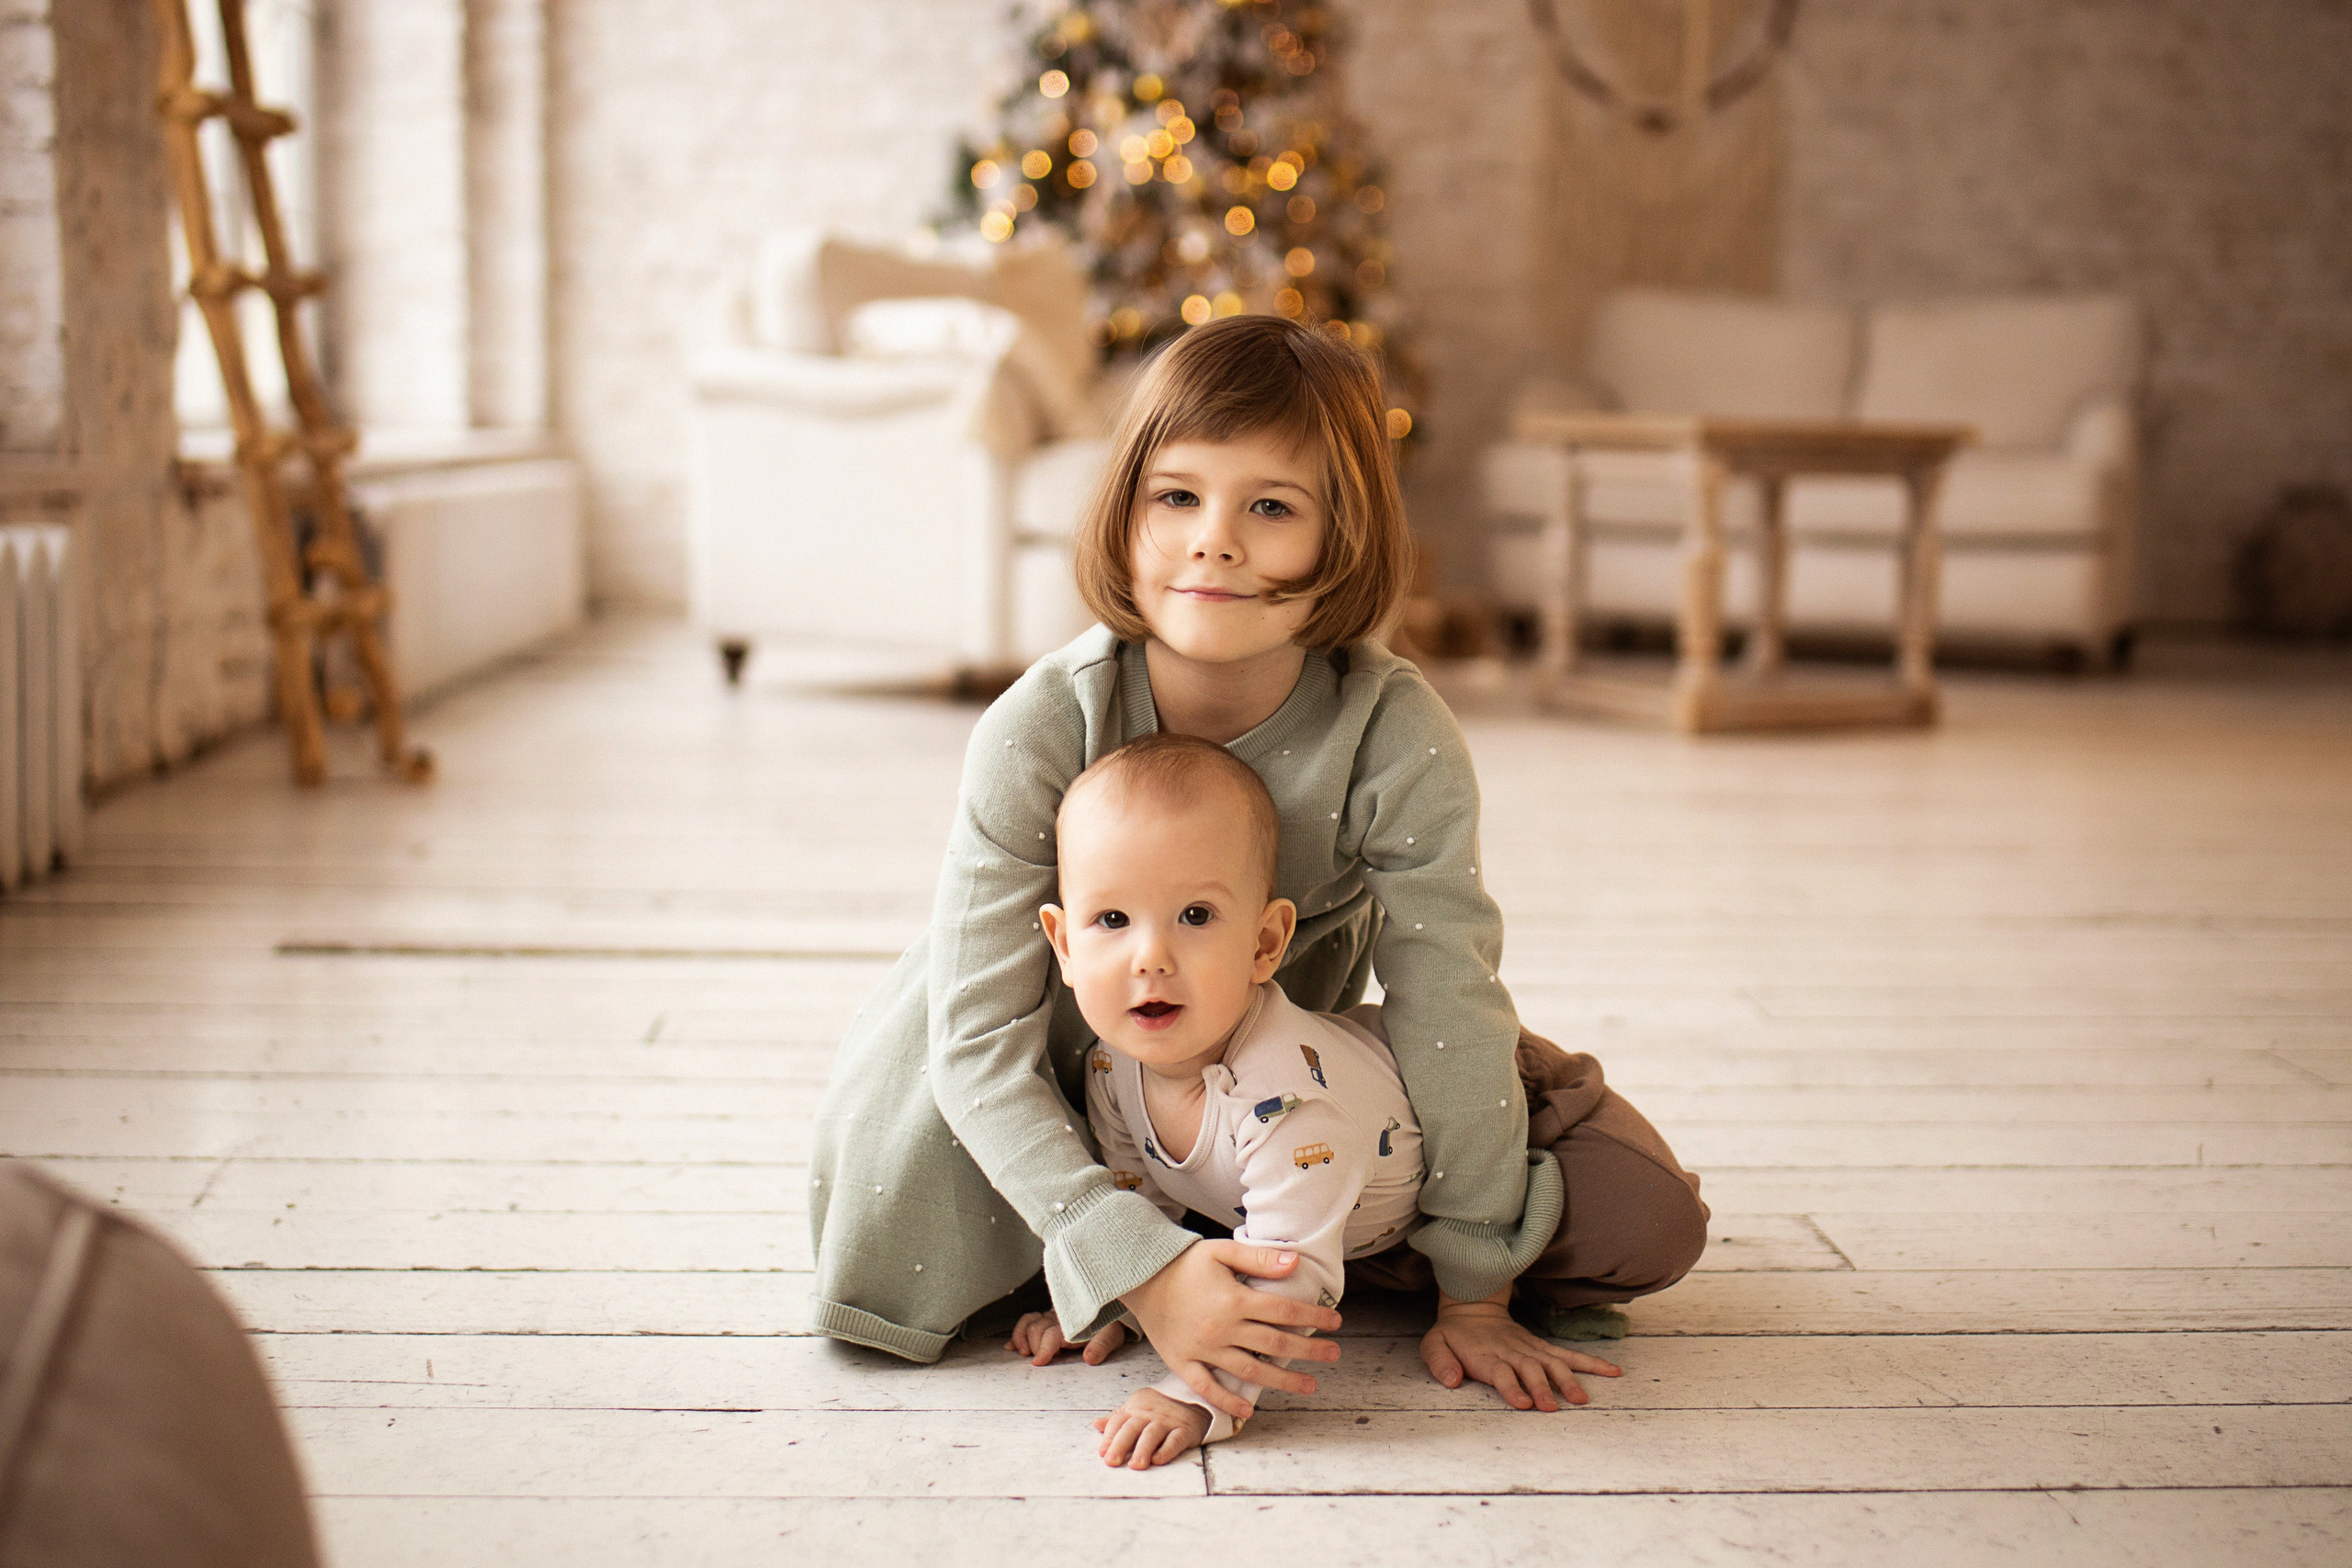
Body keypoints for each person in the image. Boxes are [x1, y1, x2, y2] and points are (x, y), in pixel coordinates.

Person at [808, 314, 1706, 1430]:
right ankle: (1208, 1255)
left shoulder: (1393, 729)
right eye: (1176, 497)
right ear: (1126, 510)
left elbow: (1445, 999)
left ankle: (1303, 1236)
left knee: (1646, 1220)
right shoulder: (1041, 724)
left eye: (1270, 507)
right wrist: (1125, 1257)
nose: (1213, 543)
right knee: (928, 1214)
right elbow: (978, 1045)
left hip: (1303, 1071)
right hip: (1081, 1063)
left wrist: (1478, 1285)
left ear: (1342, 537)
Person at [1009, 732, 1624, 1468]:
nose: (1151, 957)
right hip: (1350, 1210)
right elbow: (1138, 1192)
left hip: (1470, 1108)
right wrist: (1126, 1294)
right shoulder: (1115, 1061)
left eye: (1196, 916)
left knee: (1642, 1221)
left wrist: (1198, 1397)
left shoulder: (1285, 1105)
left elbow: (1291, 1277)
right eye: (1112, 920)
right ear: (1064, 945)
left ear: (1267, 942)